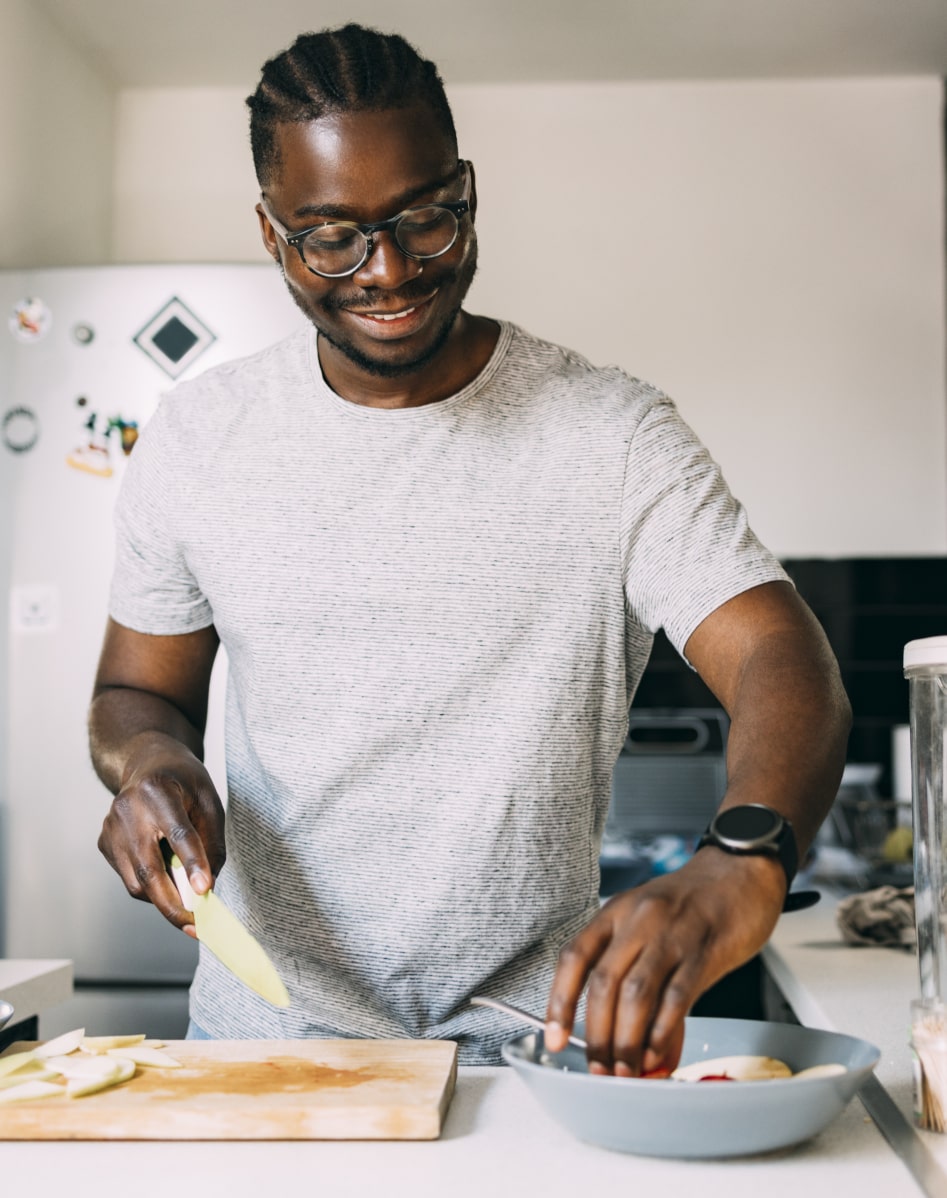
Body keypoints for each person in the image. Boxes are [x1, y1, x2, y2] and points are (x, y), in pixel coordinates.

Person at [89, 23, 850, 1075]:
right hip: (262, 1046)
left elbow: (781, 657)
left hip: (534, 1056)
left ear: (469, 192)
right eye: (331, 237)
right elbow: (136, 692)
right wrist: (151, 763)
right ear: (270, 234)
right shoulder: (199, 436)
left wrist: (744, 857)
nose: (389, 271)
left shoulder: (609, 435)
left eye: (423, 219)